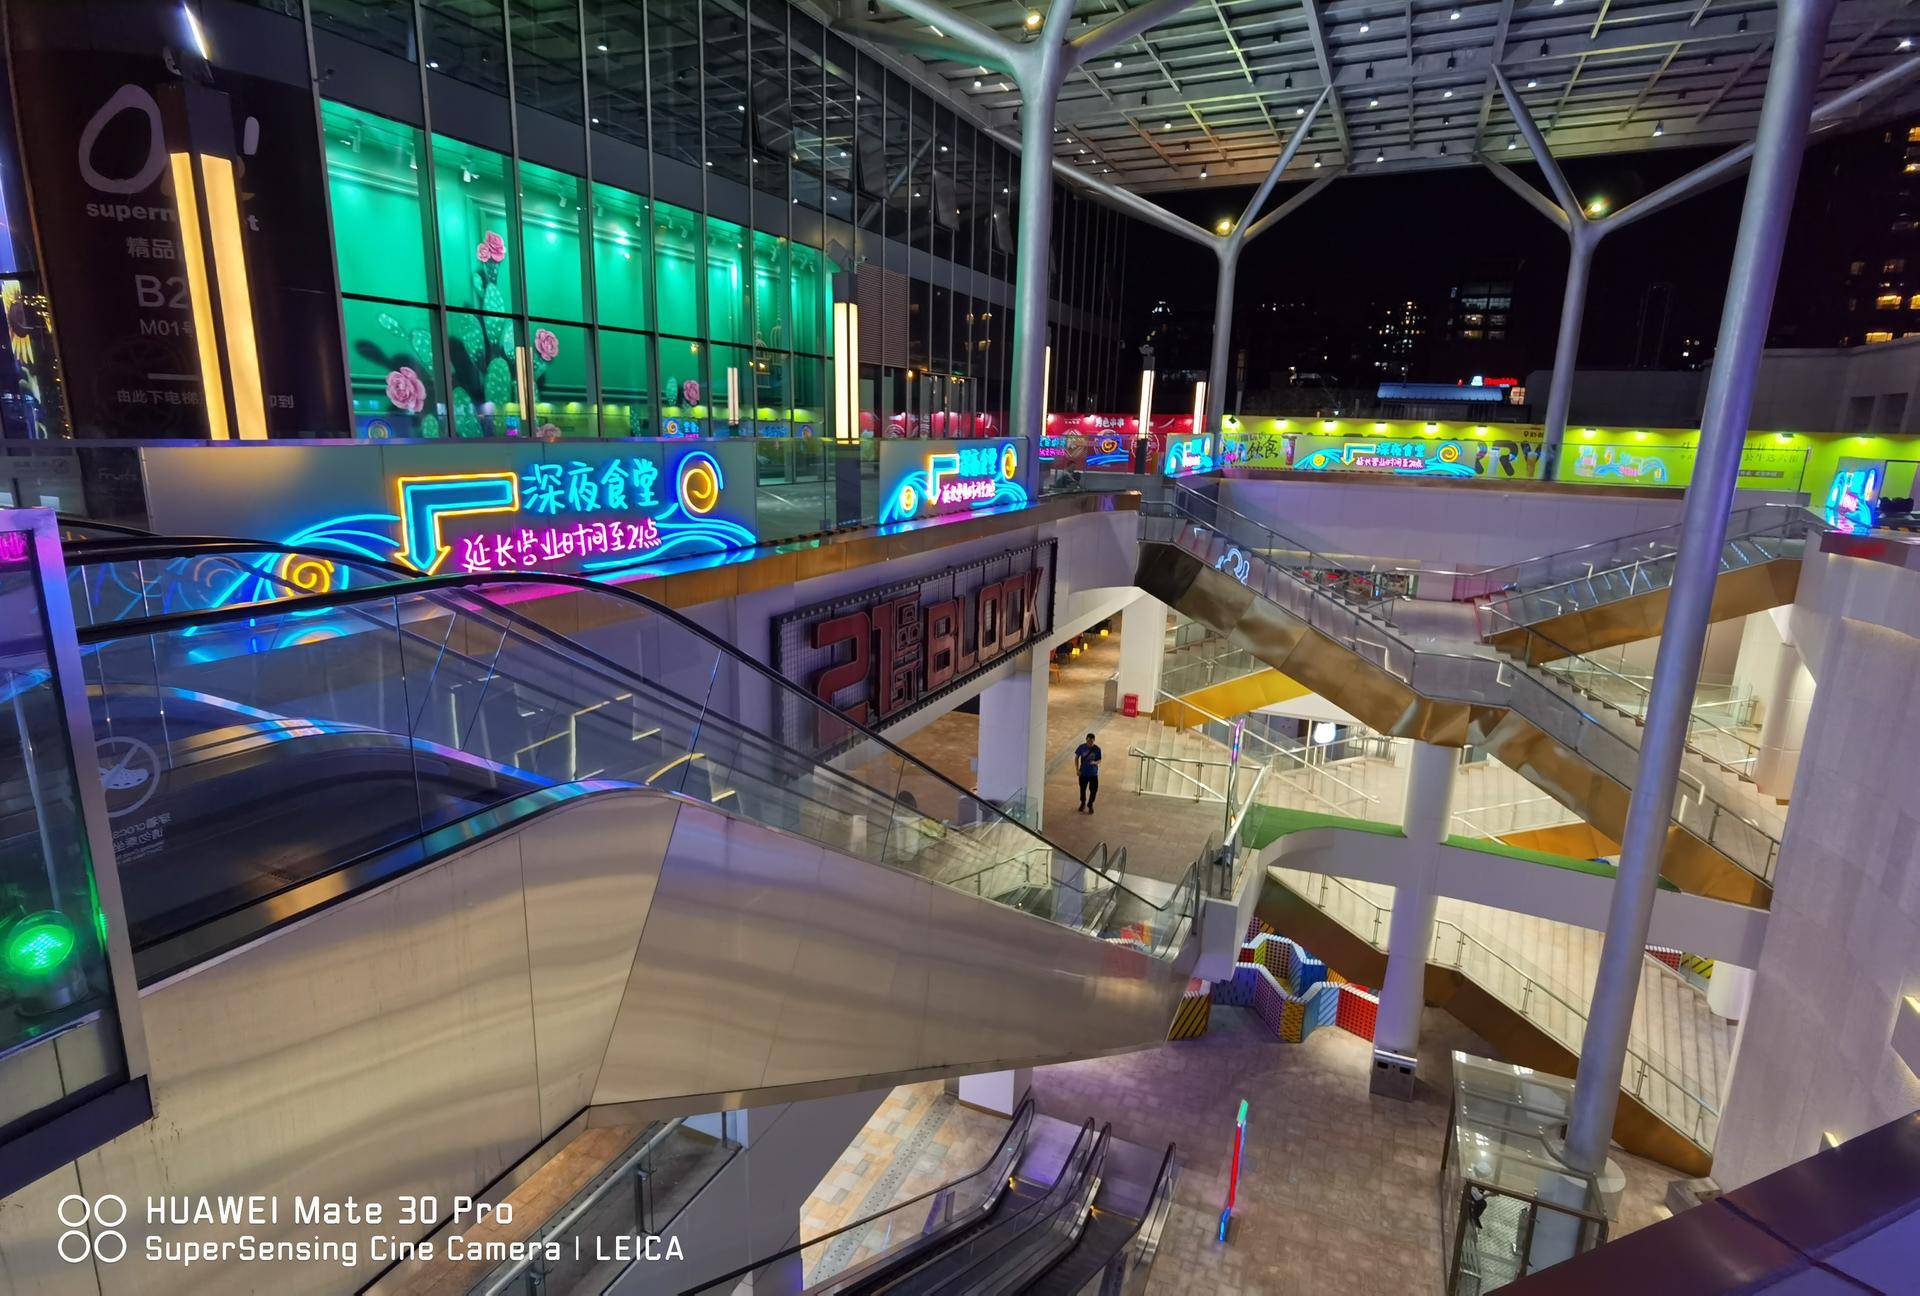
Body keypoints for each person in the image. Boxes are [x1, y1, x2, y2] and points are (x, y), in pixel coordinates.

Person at [1075, 733, 1102, 813]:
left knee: (1094, 790)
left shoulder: (1097, 749)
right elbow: (1076, 758)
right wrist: (1077, 769)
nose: (1090, 743)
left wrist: (1094, 762)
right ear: (1086, 739)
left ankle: (1090, 804)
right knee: (1082, 789)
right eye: (1088, 741)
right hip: (1083, 773)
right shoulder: (1081, 747)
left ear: (1094, 740)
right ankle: (1083, 802)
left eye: (1091, 741)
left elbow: (1099, 760)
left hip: (1093, 773)